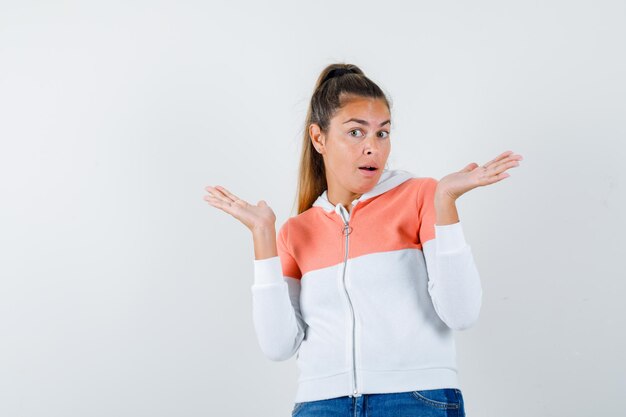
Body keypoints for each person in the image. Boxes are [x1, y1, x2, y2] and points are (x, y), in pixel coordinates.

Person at [204, 63, 523, 417]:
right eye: (356, 132)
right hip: (320, 405)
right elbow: (278, 345)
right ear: (318, 138)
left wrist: (445, 201)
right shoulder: (296, 232)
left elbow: (461, 313)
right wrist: (262, 236)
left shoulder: (421, 197)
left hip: (415, 400)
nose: (373, 147)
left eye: (382, 134)